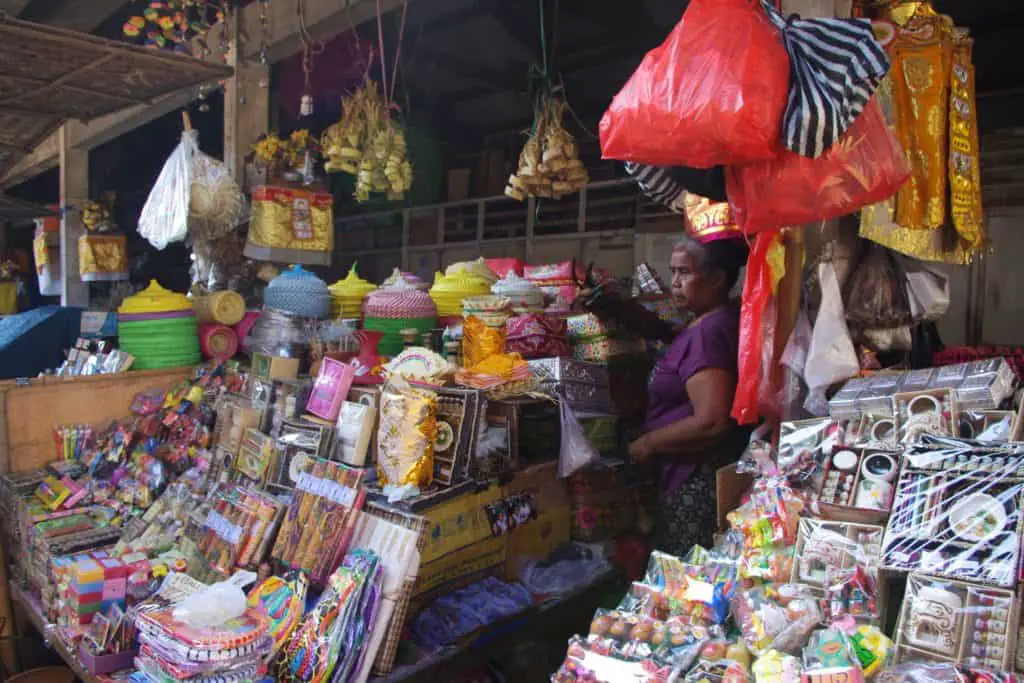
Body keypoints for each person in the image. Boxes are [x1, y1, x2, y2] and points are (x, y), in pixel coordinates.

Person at [627, 235, 749, 557]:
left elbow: (711, 421)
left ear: (718, 279)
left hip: (695, 479)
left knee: (687, 570)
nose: (675, 282)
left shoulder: (709, 333)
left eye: (685, 273)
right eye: (673, 272)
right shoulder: (707, 323)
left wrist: (649, 443)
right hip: (692, 473)